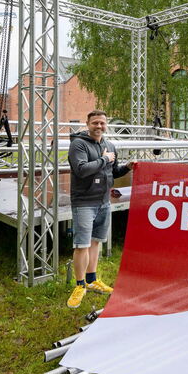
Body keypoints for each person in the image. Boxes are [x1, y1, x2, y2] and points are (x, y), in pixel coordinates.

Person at [66, 110, 131, 309]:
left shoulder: (110, 145)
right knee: (82, 245)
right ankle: (79, 285)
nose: (99, 126)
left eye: (102, 123)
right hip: (84, 201)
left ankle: (92, 279)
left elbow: (114, 171)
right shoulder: (78, 144)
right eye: (95, 123)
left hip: (104, 201)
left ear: (106, 124)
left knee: (95, 243)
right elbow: (82, 169)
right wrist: (104, 159)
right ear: (88, 123)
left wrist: (128, 166)